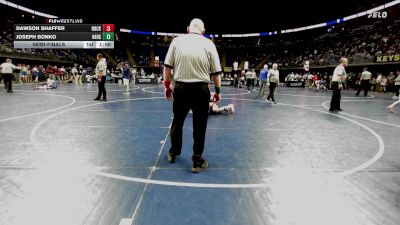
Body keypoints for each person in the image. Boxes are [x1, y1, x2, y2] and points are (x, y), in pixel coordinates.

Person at [163, 18, 222, 173]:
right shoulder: (209, 44)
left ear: (188, 28)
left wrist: (167, 87)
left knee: (178, 121)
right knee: (200, 125)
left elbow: (167, 68)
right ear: (203, 31)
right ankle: (197, 160)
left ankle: (173, 152)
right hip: (201, 90)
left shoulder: (176, 42)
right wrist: (218, 91)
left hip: (181, 88)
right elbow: (216, 73)